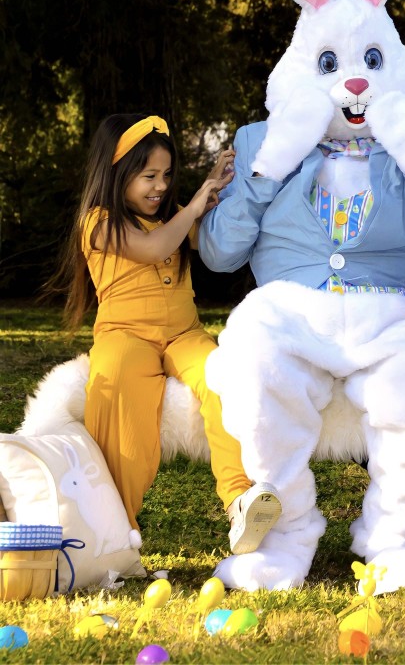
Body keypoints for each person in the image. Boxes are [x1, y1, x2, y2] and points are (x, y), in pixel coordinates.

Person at [50, 112, 281, 554]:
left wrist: (219, 188)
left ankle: (240, 500)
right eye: (148, 176)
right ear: (117, 175)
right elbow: (154, 247)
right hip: (125, 335)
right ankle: (116, 527)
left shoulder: (173, 215)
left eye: (166, 175)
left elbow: (211, 237)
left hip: (183, 334)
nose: (159, 186)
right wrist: (194, 203)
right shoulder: (98, 222)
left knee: (223, 377)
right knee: (118, 393)